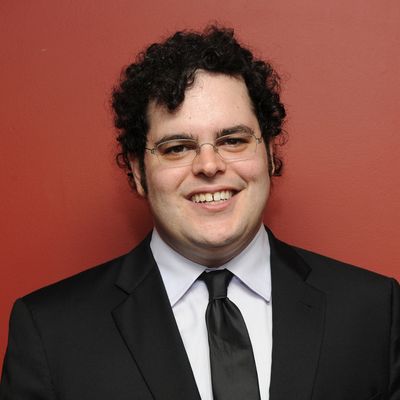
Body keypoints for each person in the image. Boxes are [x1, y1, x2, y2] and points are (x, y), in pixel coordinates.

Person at [1, 25, 399, 400]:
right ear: (138, 173)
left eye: (233, 140)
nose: (209, 165)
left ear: (271, 155)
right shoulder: (50, 332)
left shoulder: (373, 310)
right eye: (178, 147)